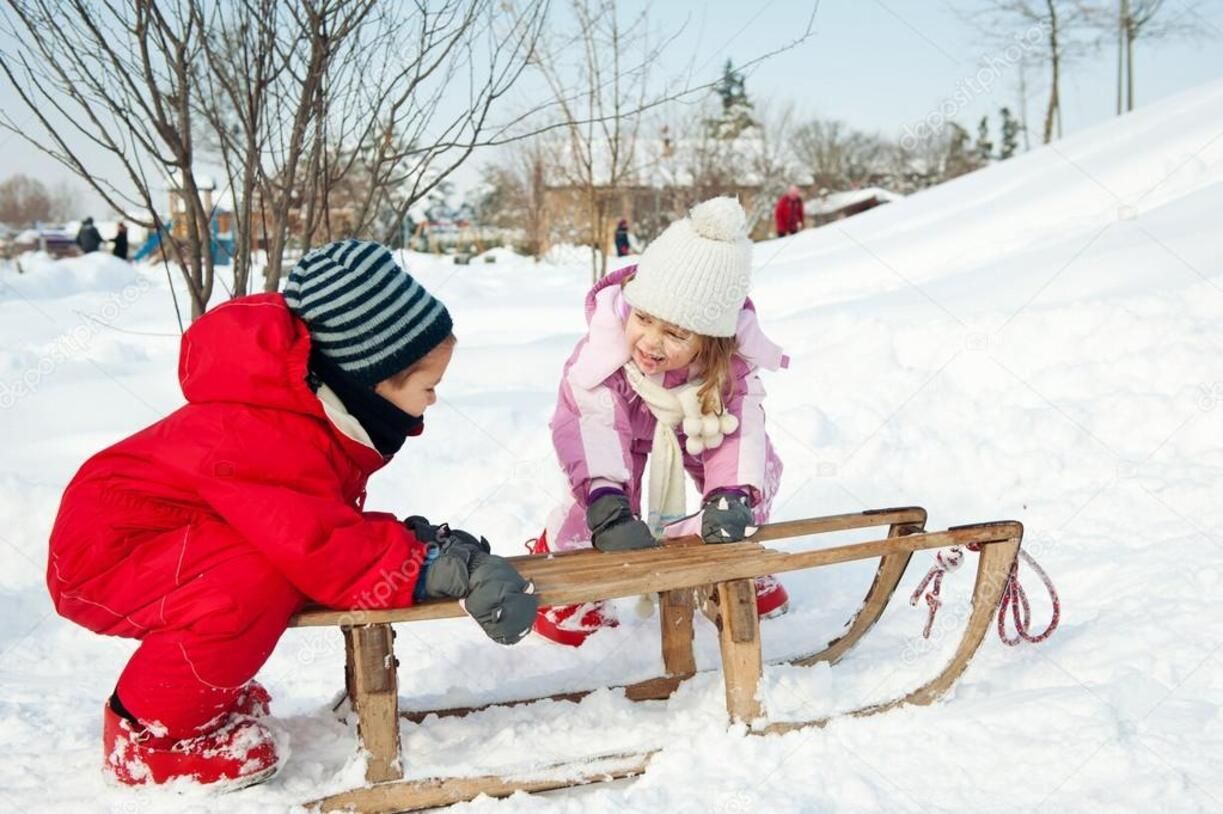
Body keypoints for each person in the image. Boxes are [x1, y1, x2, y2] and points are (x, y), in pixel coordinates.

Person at [46, 239, 537, 788]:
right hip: (113, 551)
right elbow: (319, 546)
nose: (434, 401)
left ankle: (202, 698)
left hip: (164, 537)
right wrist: (422, 566)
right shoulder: (265, 432)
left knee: (264, 567)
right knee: (251, 582)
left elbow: (312, 522)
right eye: (428, 386)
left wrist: (413, 544)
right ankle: (149, 737)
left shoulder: (301, 415)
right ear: (370, 383)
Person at [532, 197, 790, 646]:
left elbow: (742, 433)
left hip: (692, 419)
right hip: (616, 428)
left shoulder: (726, 368)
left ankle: (726, 555)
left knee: (754, 472)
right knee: (598, 501)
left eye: (675, 333)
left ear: (710, 340)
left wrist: (731, 496)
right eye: (644, 318)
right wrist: (605, 499)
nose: (650, 341)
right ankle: (566, 569)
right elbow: (589, 426)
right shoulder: (605, 353)